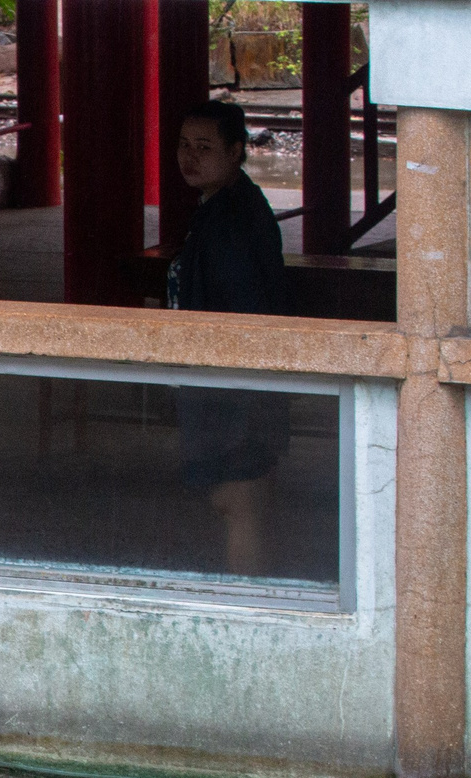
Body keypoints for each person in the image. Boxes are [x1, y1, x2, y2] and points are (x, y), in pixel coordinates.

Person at [168, 98, 292, 577]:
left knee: (237, 502)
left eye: (205, 147)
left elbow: (242, 313)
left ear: (237, 150)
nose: (190, 157)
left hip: (236, 391)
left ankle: (249, 606)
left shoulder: (230, 219)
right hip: (233, 390)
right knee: (246, 500)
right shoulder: (225, 205)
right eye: (183, 145)